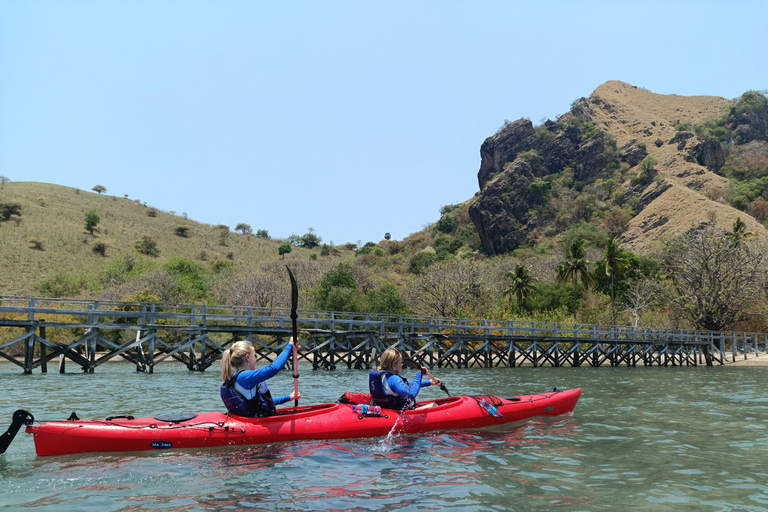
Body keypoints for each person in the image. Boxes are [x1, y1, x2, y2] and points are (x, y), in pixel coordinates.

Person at [220, 338, 300, 417]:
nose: (256, 359)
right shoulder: (245, 377)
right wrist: (289, 346)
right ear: (247, 358)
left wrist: (289, 397)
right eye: (255, 355)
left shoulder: (238, 377)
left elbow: (265, 402)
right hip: (254, 424)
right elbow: (274, 368)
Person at [369, 348, 441, 410]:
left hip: (386, 411)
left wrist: (429, 382)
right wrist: (420, 374)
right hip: (398, 413)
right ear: (394, 365)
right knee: (435, 406)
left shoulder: (382, 376)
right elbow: (411, 393)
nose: (402, 364)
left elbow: (406, 385)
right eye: (401, 363)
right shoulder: (393, 379)